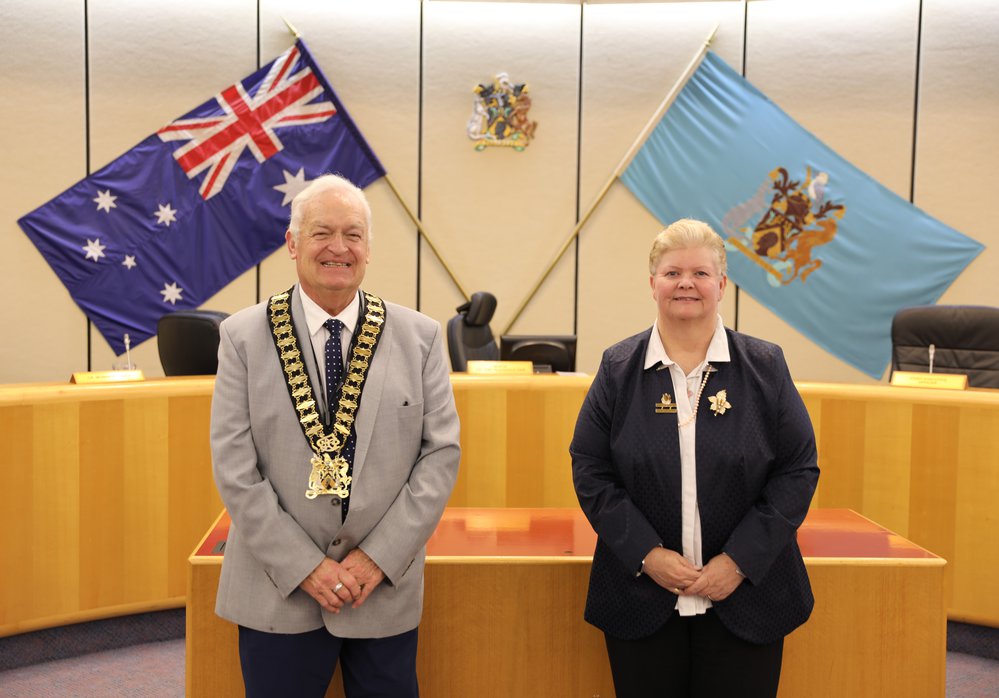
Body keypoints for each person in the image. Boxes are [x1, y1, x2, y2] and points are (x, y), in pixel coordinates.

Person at [211, 173, 460, 697]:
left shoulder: (420, 337)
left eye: (353, 234)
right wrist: (306, 567)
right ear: (293, 243)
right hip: (277, 591)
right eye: (322, 232)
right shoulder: (242, 337)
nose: (338, 248)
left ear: (368, 248)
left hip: (382, 588)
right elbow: (236, 469)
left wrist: (377, 558)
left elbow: (440, 457)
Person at [570, 219, 819, 697]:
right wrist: (648, 555)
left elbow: (797, 469)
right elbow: (591, 470)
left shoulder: (765, 366)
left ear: (721, 285)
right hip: (641, 597)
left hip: (747, 598)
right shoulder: (618, 369)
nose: (686, 283)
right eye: (672, 273)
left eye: (701, 273)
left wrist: (740, 561)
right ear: (652, 284)